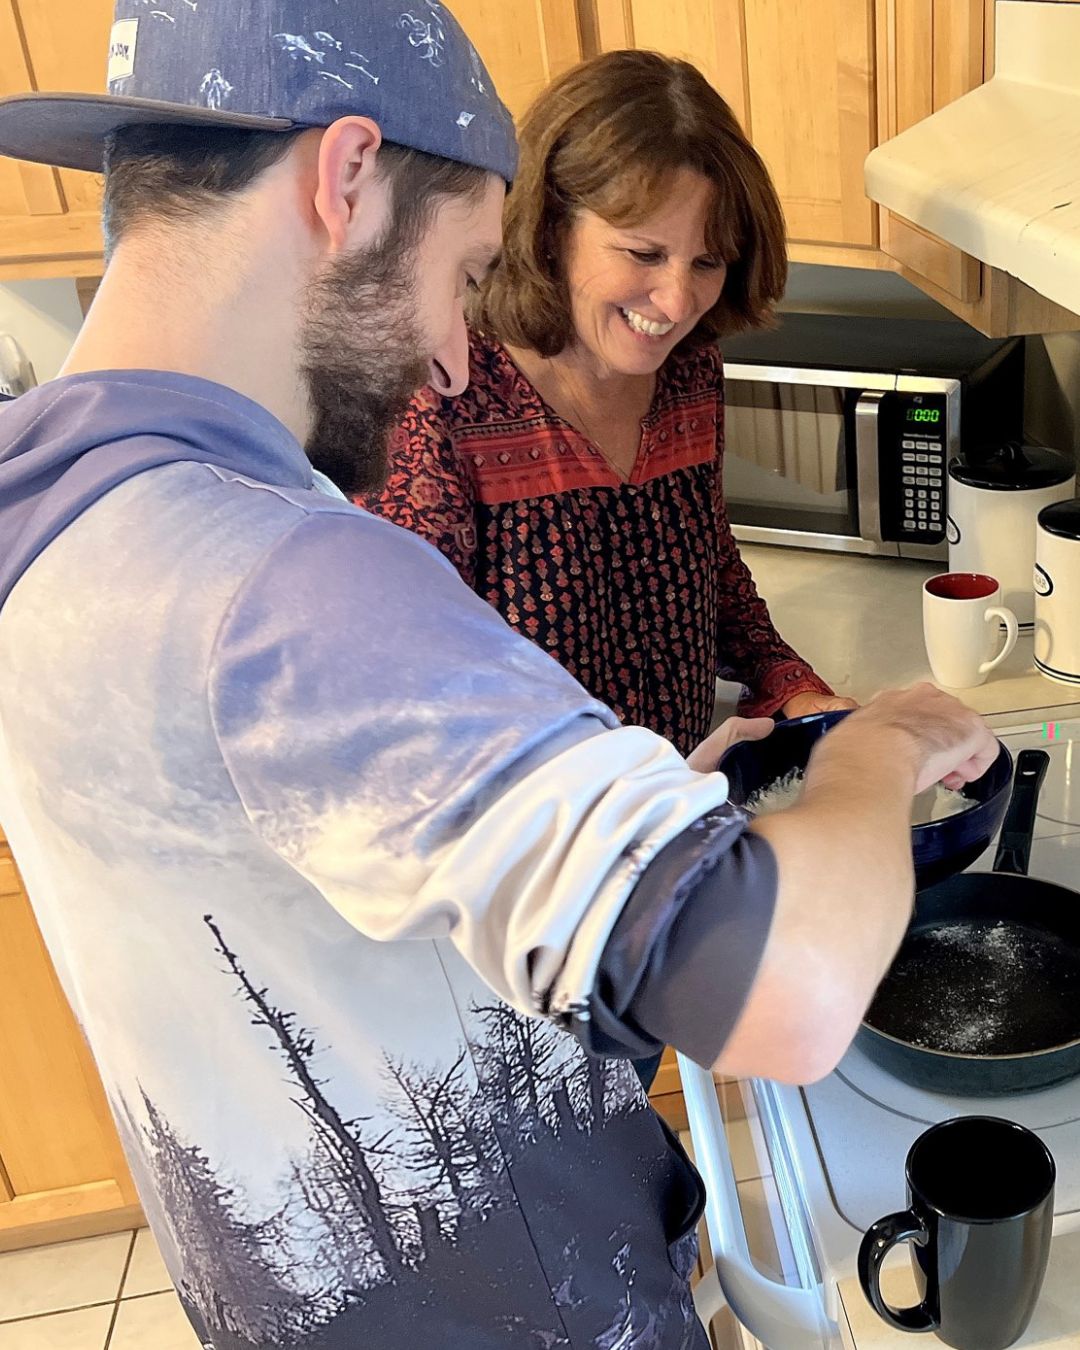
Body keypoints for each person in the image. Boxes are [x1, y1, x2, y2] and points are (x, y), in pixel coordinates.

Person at [0, 3, 996, 1348]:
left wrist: (660, 770)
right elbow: (791, 989)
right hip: (514, 1309)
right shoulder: (294, 587)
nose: (456, 350)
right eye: (463, 268)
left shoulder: (51, 503)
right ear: (346, 175)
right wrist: (883, 744)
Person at [365, 50, 854, 774]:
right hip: (539, 824)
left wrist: (790, 687)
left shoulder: (688, 370)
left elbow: (706, 565)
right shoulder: (441, 395)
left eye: (707, 262)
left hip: (675, 795)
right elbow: (410, 689)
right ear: (550, 228)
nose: (678, 302)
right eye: (643, 253)